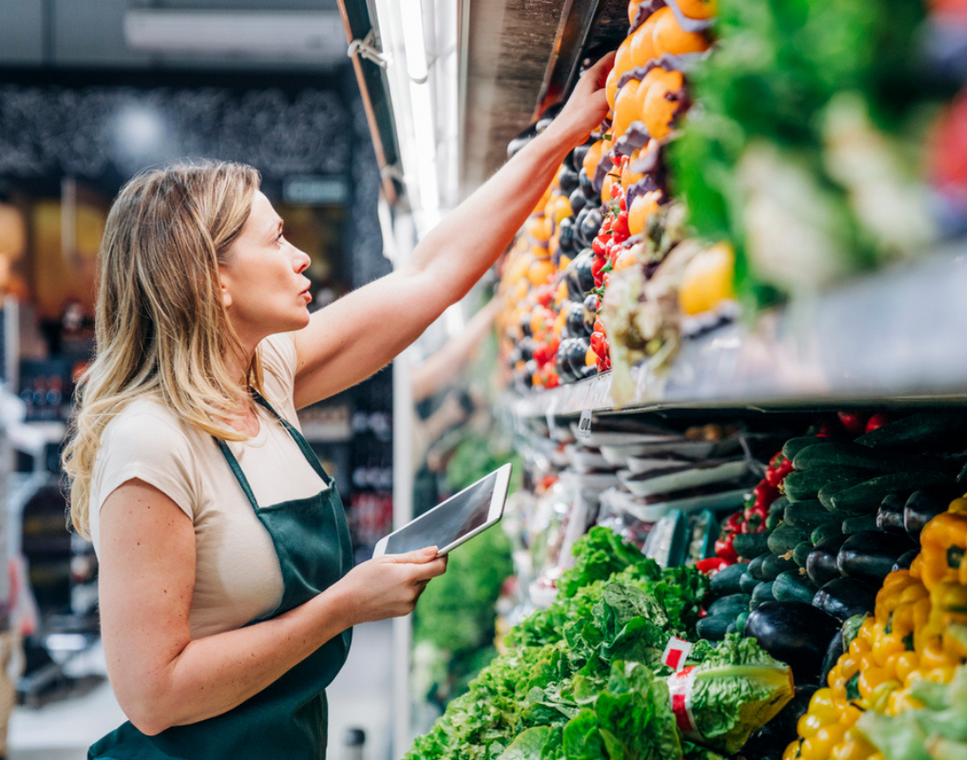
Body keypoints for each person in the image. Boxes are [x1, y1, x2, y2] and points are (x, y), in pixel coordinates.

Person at [61, 52, 614, 759]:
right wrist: (344, 607)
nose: (300, 258)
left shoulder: (264, 376)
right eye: (277, 239)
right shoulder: (150, 442)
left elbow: (428, 273)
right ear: (213, 281)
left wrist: (562, 133)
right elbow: (153, 695)